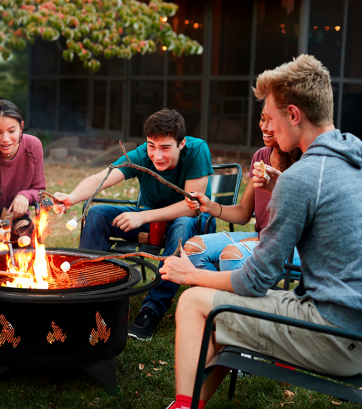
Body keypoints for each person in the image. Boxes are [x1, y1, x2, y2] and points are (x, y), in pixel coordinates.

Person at [160, 54, 362, 409]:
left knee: (194, 302)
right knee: (222, 311)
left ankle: (184, 406)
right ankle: (189, 404)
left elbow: (253, 281)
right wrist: (283, 182)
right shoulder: (351, 157)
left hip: (335, 336)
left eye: (271, 117)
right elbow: (323, 200)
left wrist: (191, 274)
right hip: (351, 321)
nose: (268, 127)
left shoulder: (302, 179)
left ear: (294, 115)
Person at [54, 109, 214, 340]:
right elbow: (101, 177)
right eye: (151, 146)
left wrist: (143, 216)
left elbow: (192, 206)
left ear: (181, 144)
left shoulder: (198, 150)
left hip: (193, 225)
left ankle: (152, 310)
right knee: (98, 213)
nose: (157, 155)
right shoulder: (140, 155)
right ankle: (90, 290)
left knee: (182, 225)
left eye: (165, 148)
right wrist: (71, 197)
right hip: (152, 223)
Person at [182, 104, 302, 273]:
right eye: (262, 119)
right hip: (263, 238)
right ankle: (218, 297)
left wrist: (280, 188)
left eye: (272, 121)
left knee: (232, 256)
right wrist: (209, 206)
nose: (264, 127)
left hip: (295, 248)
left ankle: (239, 296)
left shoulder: (304, 161)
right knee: (194, 249)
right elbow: (244, 212)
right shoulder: (261, 156)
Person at [0, 100, 46, 250]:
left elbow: (39, 190)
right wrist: (1, 227)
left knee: (28, 243)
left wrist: (25, 195)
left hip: (17, 216)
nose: (5, 139)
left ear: (21, 127)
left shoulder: (33, 146)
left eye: (11, 131)